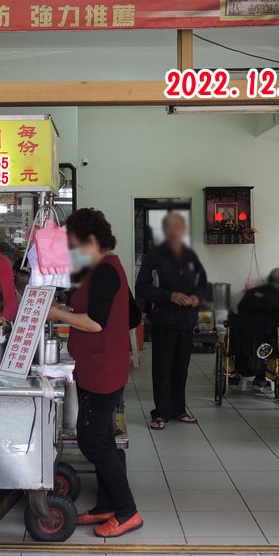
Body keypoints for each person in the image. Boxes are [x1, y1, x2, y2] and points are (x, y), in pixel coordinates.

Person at [47, 208, 143, 538]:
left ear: (90, 240)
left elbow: (96, 322)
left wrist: (58, 312)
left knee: (93, 441)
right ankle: (106, 504)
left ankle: (128, 511)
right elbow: (131, 315)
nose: (72, 251)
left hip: (103, 369)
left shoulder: (104, 271)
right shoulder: (110, 267)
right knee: (102, 437)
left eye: (74, 244)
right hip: (102, 364)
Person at [135, 212, 208, 430]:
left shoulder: (190, 256)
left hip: (186, 321)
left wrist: (197, 297)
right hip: (164, 320)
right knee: (162, 368)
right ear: (165, 231)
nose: (175, 231)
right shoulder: (154, 257)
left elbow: (202, 283)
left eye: (179, 226)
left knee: (181, 369)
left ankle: (178, 409)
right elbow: (142, 288)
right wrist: (170, 295)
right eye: (171, 227)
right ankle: (161, 413)